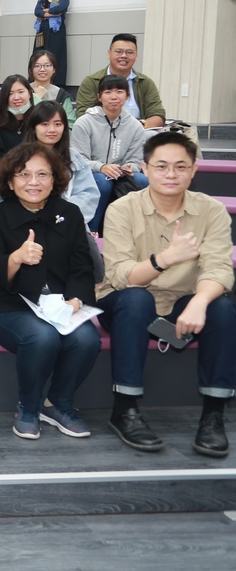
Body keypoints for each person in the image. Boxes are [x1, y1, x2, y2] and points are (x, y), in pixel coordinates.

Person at [96, 132, 236, 458]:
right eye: (161, 166)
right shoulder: (121, 209)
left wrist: (201, 302)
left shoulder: (211, 211)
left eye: (179, 166)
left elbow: (219, 269)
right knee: (136, 298)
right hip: (126, 299)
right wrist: (167, 258)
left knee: (223, 309)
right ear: (145, 167)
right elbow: (121, 275)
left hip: (184, 298)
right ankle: (125, 408)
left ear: (193, 170)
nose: (170, 174)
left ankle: (213, 414)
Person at [0, 143, 101, 440]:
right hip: (7, 306)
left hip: (60, 305)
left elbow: (83, 267)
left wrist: (74, 300)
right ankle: (29, 407)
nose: (34, 182)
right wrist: (17, 258)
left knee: (87, 338)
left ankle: (58, 403)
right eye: (24, 174)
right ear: (10, 181)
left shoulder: (69, 213)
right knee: (42, 337)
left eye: (42, 174)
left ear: (54, 179)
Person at [71, 74, 149, 233]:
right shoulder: (84, 123)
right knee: (102, 181)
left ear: (127, 97)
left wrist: (129, 168)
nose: (114, 97)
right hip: (92, 174)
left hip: (121, 175)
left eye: (119, 92)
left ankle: (134, 231)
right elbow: (78, 160)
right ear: (99, 97)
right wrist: (102, 167)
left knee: (143, 179)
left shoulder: (135, 126)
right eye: (108, 92)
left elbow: (136, 162)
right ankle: (91, 230)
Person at [22, 100, 101, 229]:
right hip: (27, 225)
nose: (52, 130)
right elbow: (5, 197)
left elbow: (89, 195)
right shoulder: (18, 158)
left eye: (58, 124)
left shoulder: (75, 158)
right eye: (45, 124)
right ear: (34, 127)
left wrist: (60, 215)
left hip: (68, 225)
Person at [75, 34, 165, 128]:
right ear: (109, 53)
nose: (124, 56)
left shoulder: (145, 83)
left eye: (130, 52)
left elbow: (158, 115)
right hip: (101, 132)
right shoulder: (91, 81)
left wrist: (134, 128)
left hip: (138, 131)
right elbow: (83, 115)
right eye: (118, 52)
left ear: (136, 56)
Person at [34, 0, 70, 87]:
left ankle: (56, 86)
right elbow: (37, 11)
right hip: (41, 31)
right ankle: (38, 85)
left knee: (55, 57)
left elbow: (60, 9)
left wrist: (45, 12)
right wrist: (51, 13)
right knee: (38, 57)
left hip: (55, 32)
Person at [27, 49, 76, 129]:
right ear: (31, 70)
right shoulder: (23, 91)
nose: (42, 69)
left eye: (47, 65)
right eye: (37, 66)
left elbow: (70, 125)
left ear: (54, 69)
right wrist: (36, 97)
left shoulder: (62, 95)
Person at [0, 74, 34, 160]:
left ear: (30, 94)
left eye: (21, 92)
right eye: (10, 93)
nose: (16, 98)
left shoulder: (38, 121)